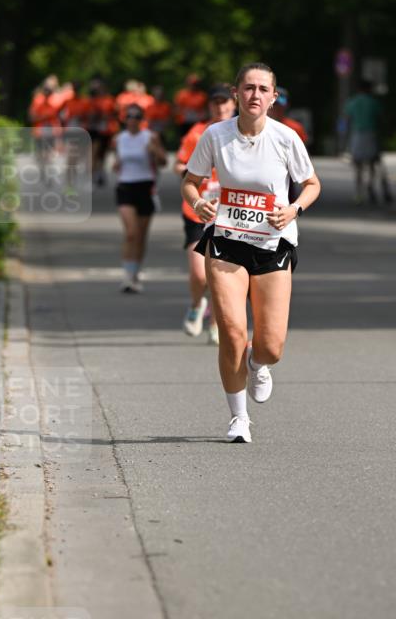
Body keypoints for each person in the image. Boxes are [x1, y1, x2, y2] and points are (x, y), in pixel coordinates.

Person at [181, 62, 321, 442]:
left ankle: (259, 364)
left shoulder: (286, 138)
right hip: (226, 241)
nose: (255, 95)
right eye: (248, 88)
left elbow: (311, 183)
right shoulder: (215, 135)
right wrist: (198, 204)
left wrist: (294, 209)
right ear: (236, 93)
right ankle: (239, 418)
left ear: (273, 97)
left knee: (271, 345)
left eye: (263, 89)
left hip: (272, 243)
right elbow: (190, 182)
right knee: (231, 331)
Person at [175, 83, 235, 344]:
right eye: (215, 103)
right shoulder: (197, 132)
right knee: (200, 273)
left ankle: (216, 324)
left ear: (233, 104)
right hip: (197, 210)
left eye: (225, 102)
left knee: (221, 275)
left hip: (231, 213)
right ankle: (197, 304)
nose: (220, 107)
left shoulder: (241, 131)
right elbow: (179, 162)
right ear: (209, 106)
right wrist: (187, 173)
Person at [112, 104, 167, 293]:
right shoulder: (118, 139)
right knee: (131, 233)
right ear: (124, 119)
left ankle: (135, 274)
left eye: (137, 116)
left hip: (146, 186)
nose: (133, 120)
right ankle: (127, 277)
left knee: (141, 236)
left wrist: (154, 150)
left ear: (142, 120)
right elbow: (117, 162)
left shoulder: (150, 137)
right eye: (129, 116)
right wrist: (117, 164)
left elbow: (164, 161)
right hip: (125, 186)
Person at [344, 79, 393, 205]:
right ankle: (370, 184)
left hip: (356, 135)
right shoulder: (374, 102)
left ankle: (359, 193)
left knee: (358, 166)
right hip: (371, 135)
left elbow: (347, 120)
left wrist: (346, 139)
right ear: (369, 89)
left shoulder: (352, 102)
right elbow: (381, 120)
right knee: (373, 164)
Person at [87, 80, 117, 186]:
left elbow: (114, 113)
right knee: (94, 152)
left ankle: (100, 171)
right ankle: (92, 175)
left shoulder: (109, 100)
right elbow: (89, 115)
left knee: (103, 154)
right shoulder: (91, 101)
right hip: (94, 130)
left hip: (105, 130)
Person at [174, 73, 208, 138]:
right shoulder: (182, 95)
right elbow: (176, 109)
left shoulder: (202, 96)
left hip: (197, 123)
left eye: (196, 84)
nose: (194, 86)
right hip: (184, 123)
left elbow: (206, 110)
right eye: (192, 84)